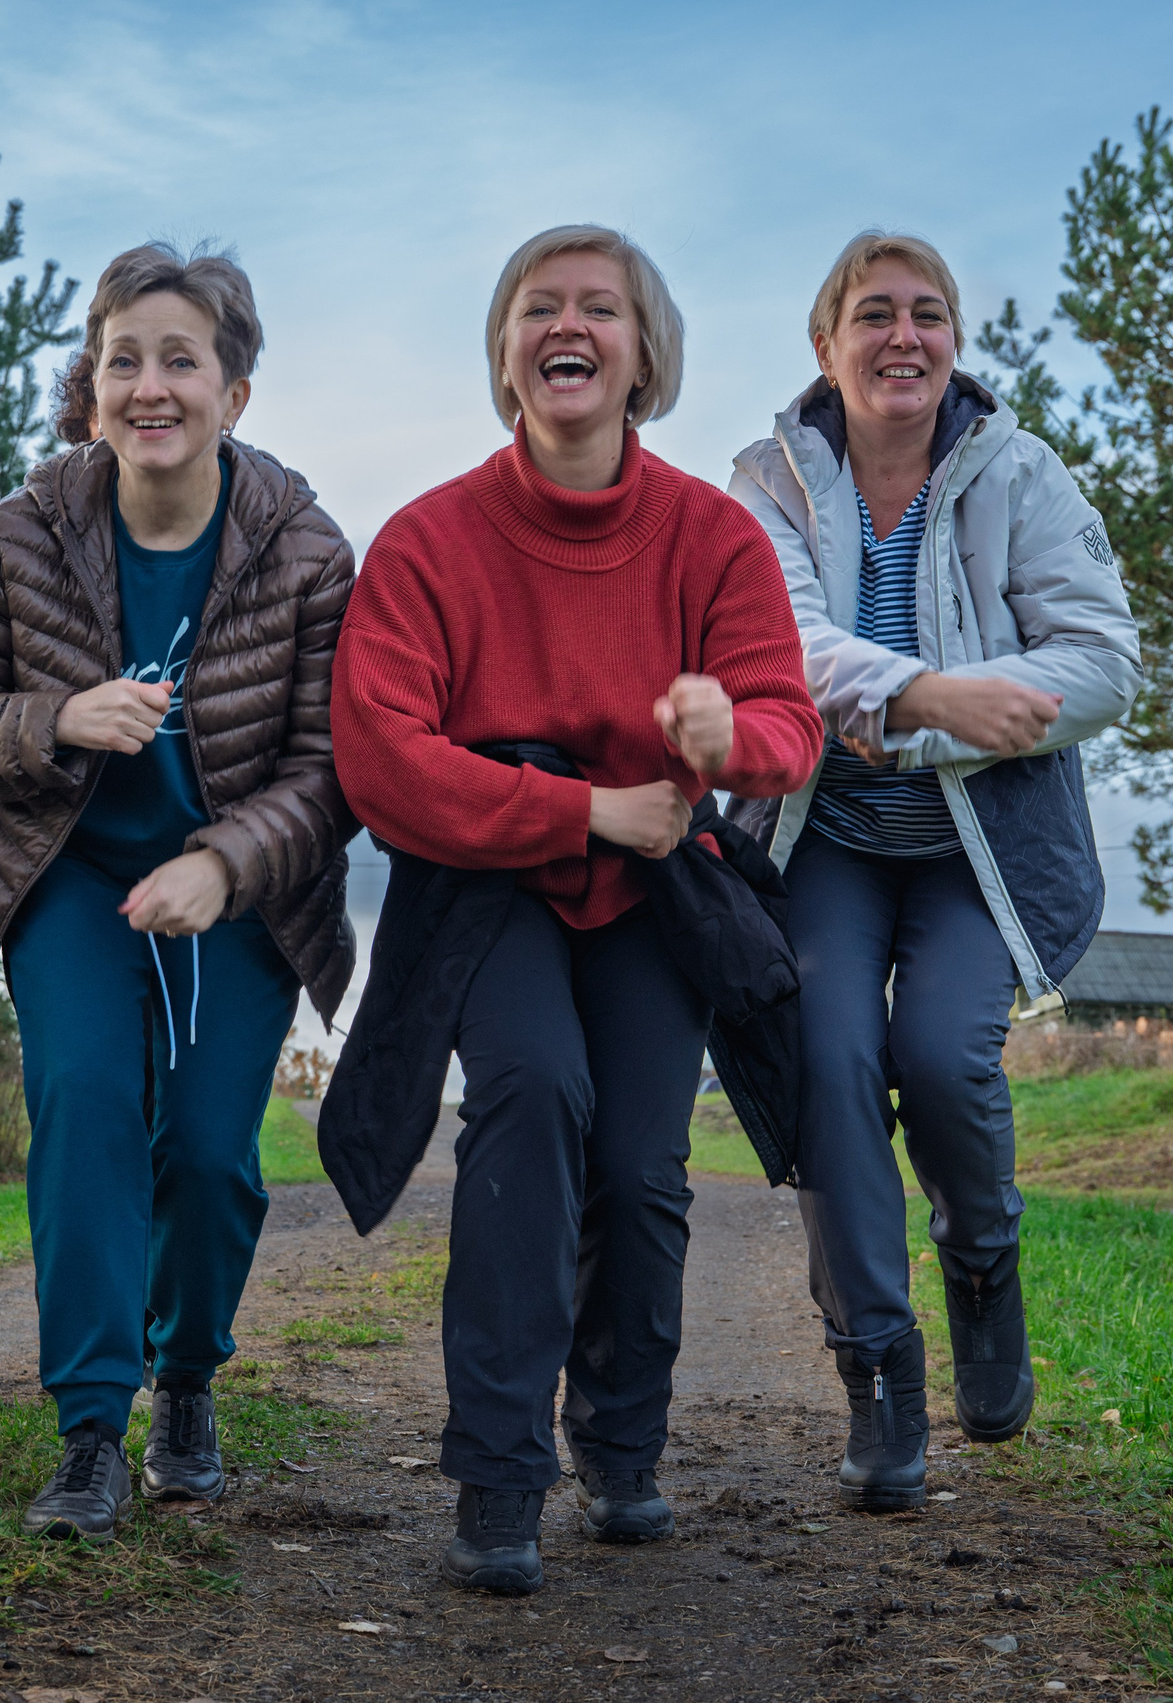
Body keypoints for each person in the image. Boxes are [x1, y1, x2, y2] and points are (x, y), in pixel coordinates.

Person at [330, 225, 823, 1595]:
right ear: (506, 357)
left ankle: (620, 1438)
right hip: (489, 881)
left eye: (599, 307)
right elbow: (385, 759)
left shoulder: (714, 538)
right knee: (534, 1095)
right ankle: (497, 1469)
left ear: (642, 354)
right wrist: (583, 808)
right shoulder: (430, 539)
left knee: (641, 1162)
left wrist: (731, 733)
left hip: (661, 886)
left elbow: (787, 726)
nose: (569, 324)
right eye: (539, 307)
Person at [0, 242, 356, 1543]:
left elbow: (338, 768)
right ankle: (91, 1423)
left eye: (181, 358)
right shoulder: (19, 532)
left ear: (236, 391)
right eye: (124, 359)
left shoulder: (307, 550)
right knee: (91, 1113)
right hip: (68, 882)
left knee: (209, 1154)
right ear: (91, 384)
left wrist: (223, 860)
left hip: (240, 890)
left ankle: (190, 1376)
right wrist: (55, 715)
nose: (150, 383)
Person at [725, 231, 1141, 1508]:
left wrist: (937, 706)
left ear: (953, 340)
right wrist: (936, 689)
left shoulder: (1019, 472)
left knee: (945, 1058)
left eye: (927, 314)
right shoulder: (764, 481)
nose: (901, 336)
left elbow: (1104, 659)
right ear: (825, 345)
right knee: (834, 1065)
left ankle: (981, 1262)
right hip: (825, 838)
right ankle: (878, 1367)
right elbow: (781, 644)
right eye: (872, 314)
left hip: (974, 849)